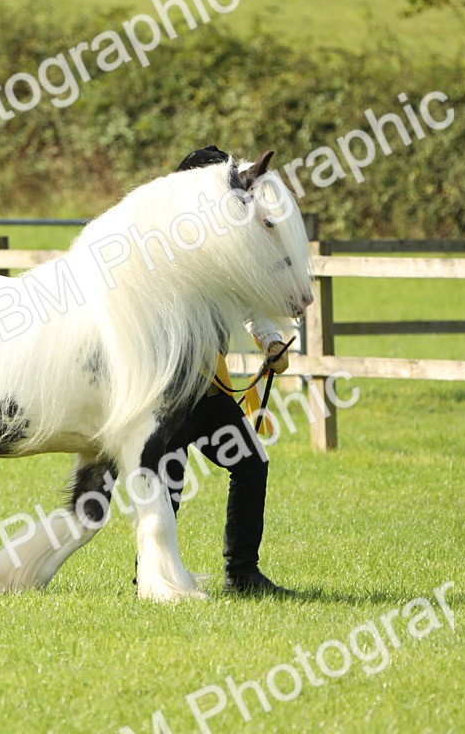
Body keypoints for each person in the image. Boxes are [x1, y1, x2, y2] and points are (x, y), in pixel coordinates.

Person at [163, 145, 294, 595]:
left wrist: (273, 341)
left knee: (251, 464)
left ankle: (242, 574)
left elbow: (249, 300)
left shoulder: (224, 249)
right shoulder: (165, 249)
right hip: (169, 394)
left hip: (211, 392)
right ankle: (153, 576)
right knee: (169, 478)